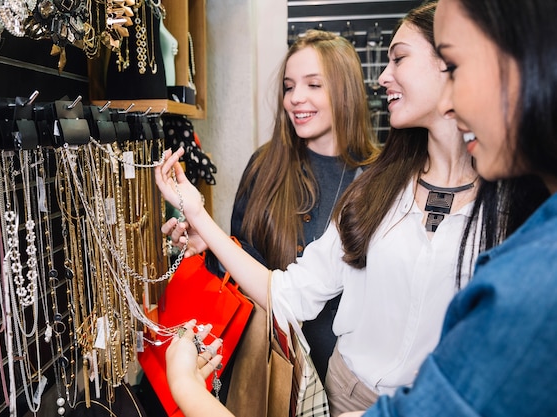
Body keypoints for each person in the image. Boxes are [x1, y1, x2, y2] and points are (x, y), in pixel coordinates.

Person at [168, 0, 557, 415]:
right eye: (289, 85)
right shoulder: (374, 188)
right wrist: (199, 218)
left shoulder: (522, 221)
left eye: (400, 59)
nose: (382, 77)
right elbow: (289, 292)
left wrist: (185, 387)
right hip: (342, 392)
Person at [166, 28, 380, 383]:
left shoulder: (376, 178)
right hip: (270, 372)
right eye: (289, 86)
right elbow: (242, 263)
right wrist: (206, 244)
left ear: (347, 92)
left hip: (345, 379)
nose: (296, 98)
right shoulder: (265, 166)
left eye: (314, 84)